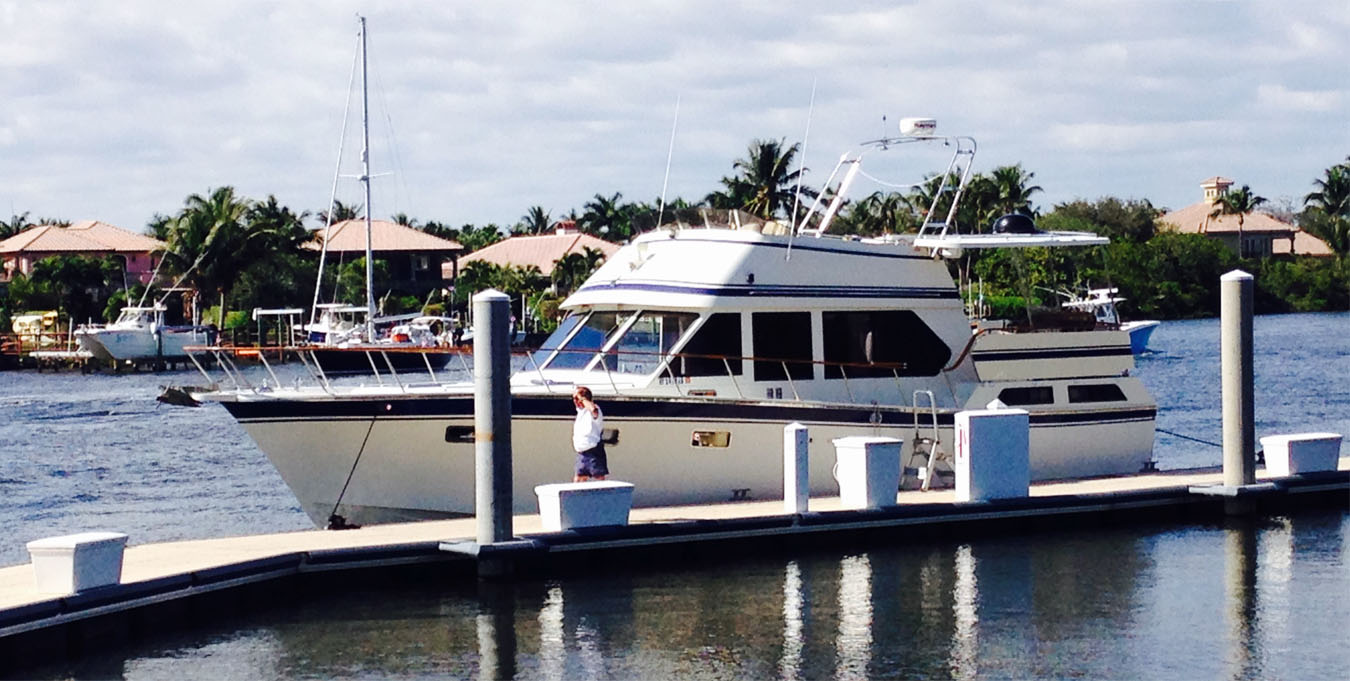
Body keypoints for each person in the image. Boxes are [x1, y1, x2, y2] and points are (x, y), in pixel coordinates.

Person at [572, 386, 607, 482]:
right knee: (578, 480)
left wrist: (583, 399)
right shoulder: (580, 412)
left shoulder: (595, 409)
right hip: (582, 453)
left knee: (599, 480)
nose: (574, 401)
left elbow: (593, 410)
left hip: (593, 452)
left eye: (576, 398)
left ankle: (603, 496)